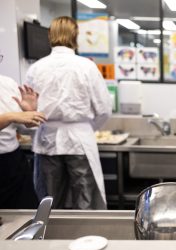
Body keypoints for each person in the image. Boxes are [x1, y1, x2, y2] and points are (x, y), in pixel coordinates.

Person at [25, 16, 112, 209]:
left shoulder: (36, 68)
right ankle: (87, 238)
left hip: (47, 141)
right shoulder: (86, 66)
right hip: (79, 141)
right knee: (85, 200)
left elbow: (28, 110)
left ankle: (50, 239)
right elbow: (104, 109)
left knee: (49, 203)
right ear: (76, 35)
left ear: (50, 35)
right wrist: (87, 128)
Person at [0, 74, 45, 209]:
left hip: (12, 161)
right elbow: (12, 118)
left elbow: (22, 128)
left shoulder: (8, 84)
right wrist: (10, 116)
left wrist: (30, 113)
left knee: (26, 216)